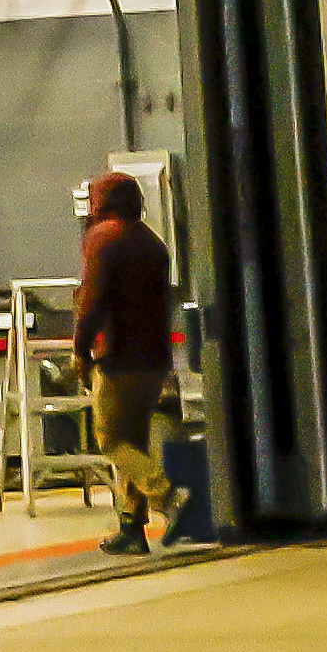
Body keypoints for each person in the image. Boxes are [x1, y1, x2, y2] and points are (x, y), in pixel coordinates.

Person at [77, 167, 186, 554]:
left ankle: (169, 497)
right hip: (154, 357)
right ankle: (131, 528)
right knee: (135, 439)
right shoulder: (154, 243)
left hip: (117, 355)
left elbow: (90, 302)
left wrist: (80, 349)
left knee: (112, 439)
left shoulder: (102, 238)